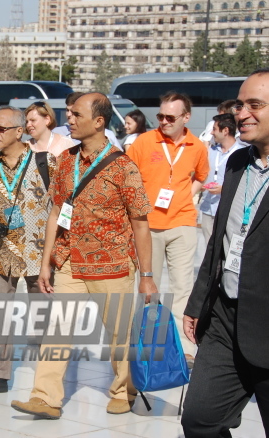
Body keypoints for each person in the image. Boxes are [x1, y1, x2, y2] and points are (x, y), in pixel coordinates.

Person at [11, 93, 158, 419]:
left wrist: (146, 276)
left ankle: (124, 389)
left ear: (100, 121)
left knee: (119, 336)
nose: (70, 119)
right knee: (57, 332)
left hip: (112, 265)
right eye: (69, 113)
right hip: (69, 262)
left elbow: (141, 223)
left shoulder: (123, 166)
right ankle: (45, 398)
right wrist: (47, 261)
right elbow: (55, 214)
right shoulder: (65, 161)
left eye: (76, 114)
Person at [181, 68, 269, 437]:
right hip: (224, 320)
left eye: (255, 105)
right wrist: (198, 304)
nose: (242, 114)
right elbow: (219, 244)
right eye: (239, 105)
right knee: (200, 420)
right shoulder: (237, 164)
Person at [0, 105, 54, 394]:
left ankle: (50, 374)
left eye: (1, 128)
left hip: (39, 253)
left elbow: (61, 209)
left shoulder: (46, 163)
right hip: (0, 252)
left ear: (20, 131)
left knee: (44, 314)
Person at [126, 92, 209, 363]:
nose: (163, 121)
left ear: (186, 117)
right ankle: (149, 344)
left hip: (183, 223)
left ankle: (185, 348)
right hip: (147, 227)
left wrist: (186, 195)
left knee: (183, 287)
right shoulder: (143, 142)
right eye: (160, 116)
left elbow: (201, 176)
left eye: (170, 117)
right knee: (148, 289)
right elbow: (127, 179)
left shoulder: (197, 146)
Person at [199, 113, 243, 245]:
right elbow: (202, 174)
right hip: (208, 208)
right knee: (209, 248)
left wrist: (224, 189)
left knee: (226, 248)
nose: (211, 133)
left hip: (229, 208)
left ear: (225, 131)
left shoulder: (242, 153)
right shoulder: (210, 151)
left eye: (214, 129)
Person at [52, 92, 123, 150]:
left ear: (98, 122)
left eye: (77, 115)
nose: (71, 121)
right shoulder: (65, 158)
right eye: (67, 110)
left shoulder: (121, 164)